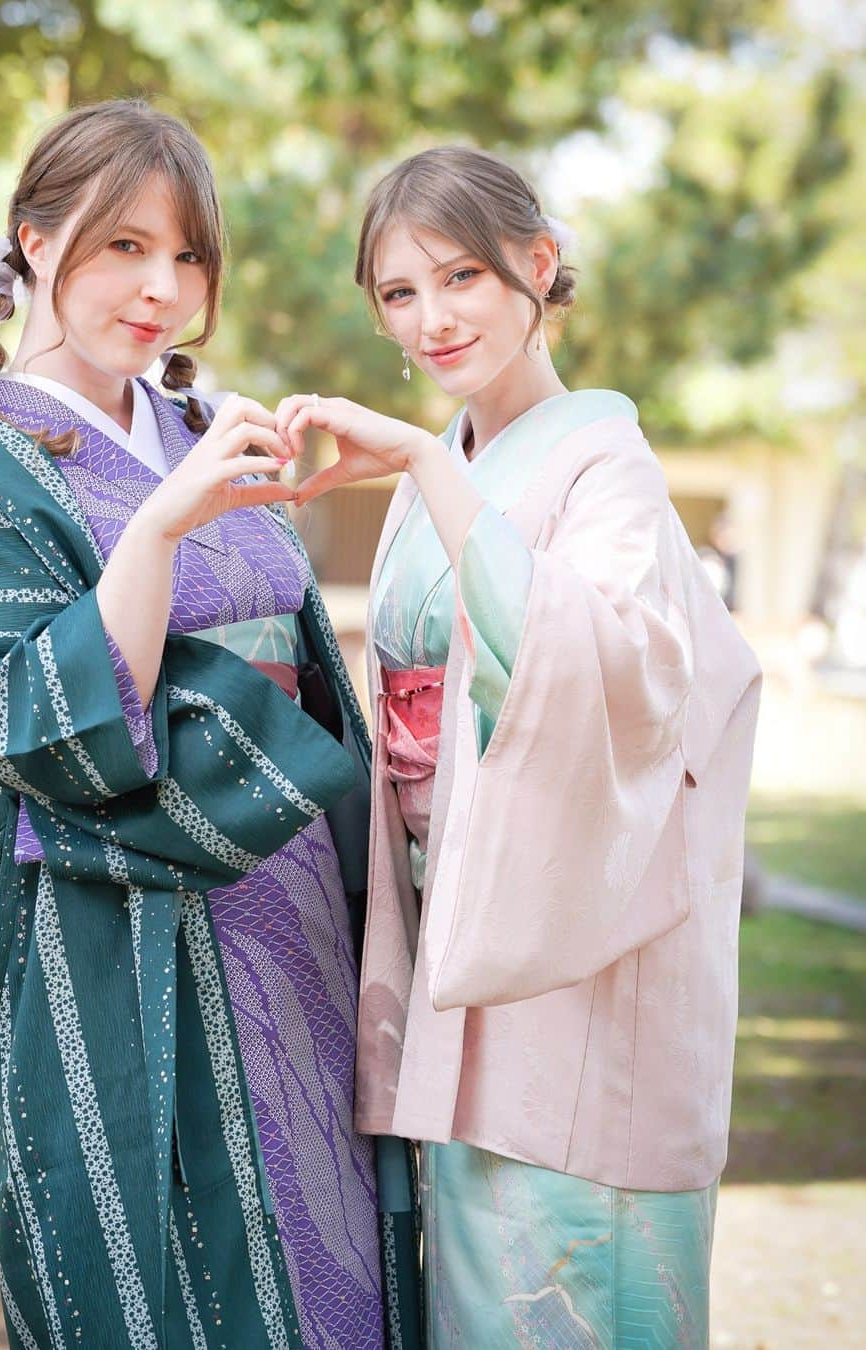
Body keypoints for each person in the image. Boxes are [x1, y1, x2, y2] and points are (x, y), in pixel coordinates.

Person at [0, 99, 418, 1350]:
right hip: (102, 916)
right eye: (123, 246)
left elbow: (297, 650)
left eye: (186, 256)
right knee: (151, 1251)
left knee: (317, 1229)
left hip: (285, 893)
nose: (160, 287)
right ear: (36, 242)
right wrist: (162, 528)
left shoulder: (204, 425)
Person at [277, 146, 762, 1347]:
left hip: (577, 928)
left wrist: (431, 464)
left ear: (537, 268)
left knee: (567, 1262)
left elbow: (611, 675)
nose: (430, 319)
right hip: (465, 921)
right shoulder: (445, 467)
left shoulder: (608, 467)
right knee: (479, 1279)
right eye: (397, 292)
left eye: (461, 277)